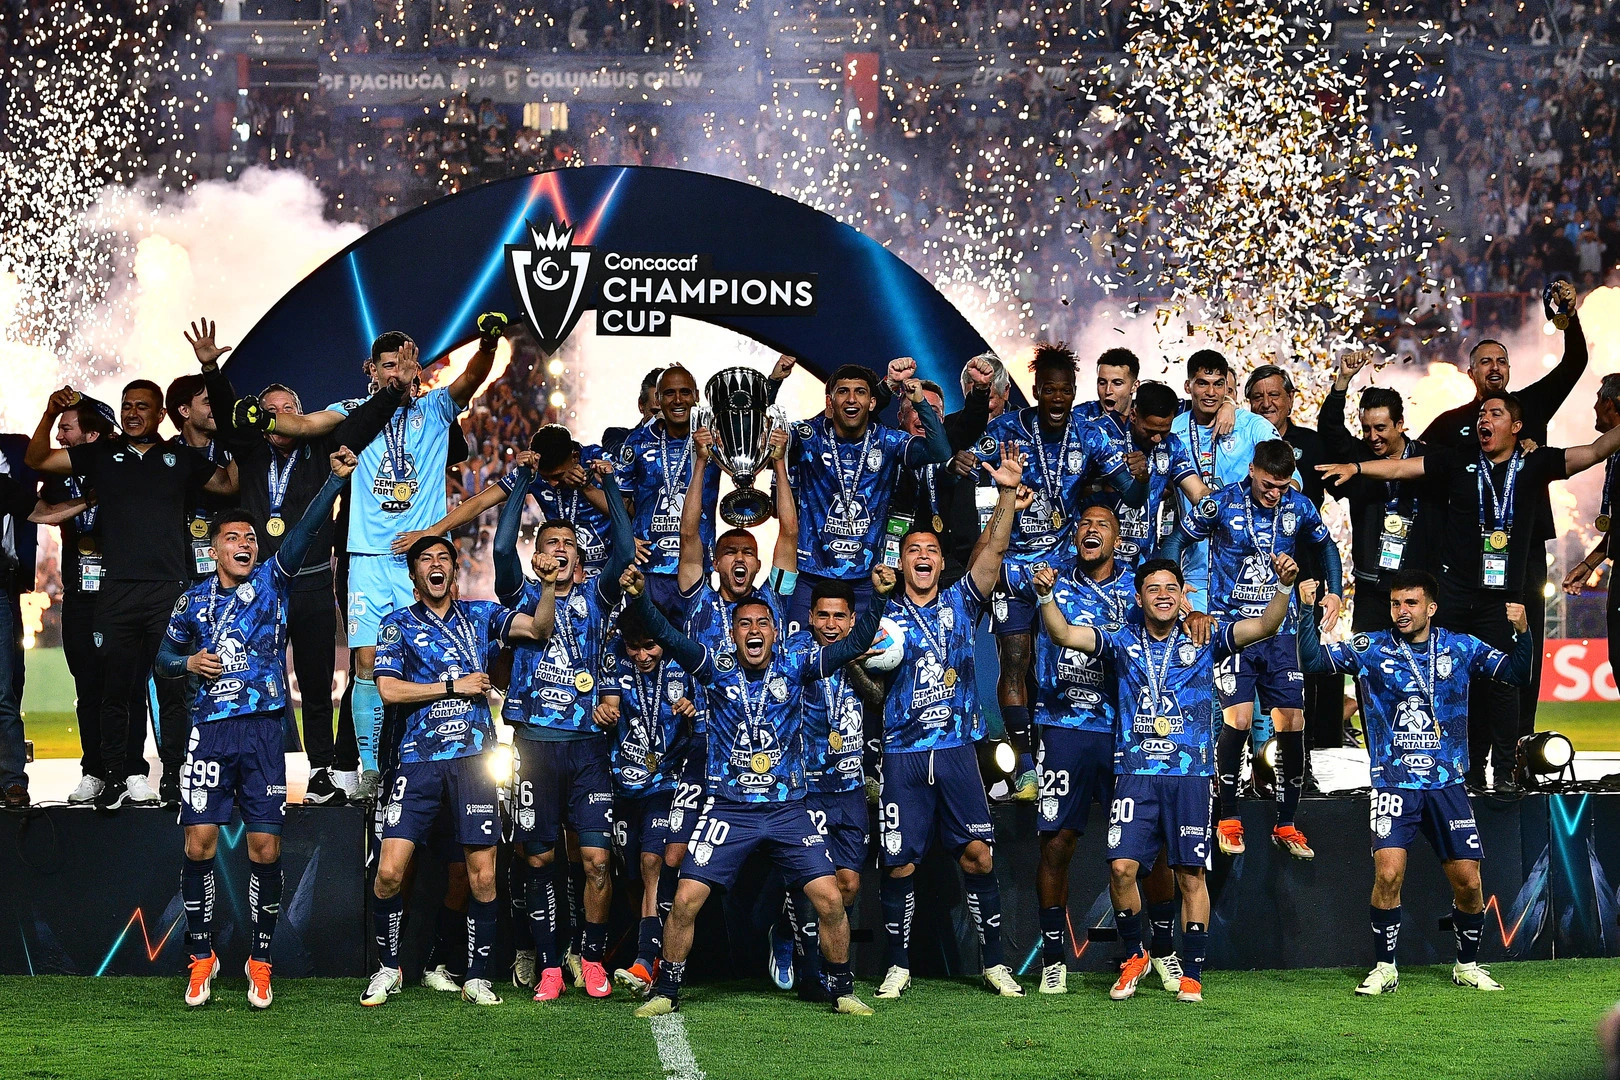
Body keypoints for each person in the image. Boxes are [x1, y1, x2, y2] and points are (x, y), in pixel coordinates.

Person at [623, 561, 896, 1018]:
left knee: (831, 899)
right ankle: (666, 990)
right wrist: (638, 598)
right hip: (729, 809)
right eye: (745, 624)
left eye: (762, 623)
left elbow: (852, 644)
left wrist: (880, 598)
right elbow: (667, 636)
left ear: (775, 632)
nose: (754, 630)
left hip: (788, 810)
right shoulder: (714, 666)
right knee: (685, 900)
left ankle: (843, 989)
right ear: (733, 635)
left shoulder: (796, 665)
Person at [1033, 552, 1299, 1004]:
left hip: (1189, 774)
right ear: (1138, 598)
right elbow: (1063, 633)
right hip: (1134, 773)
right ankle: (1135, 955)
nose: (1162, 595)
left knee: (1190, 875)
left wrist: (1284, 587)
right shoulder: (1120, 641)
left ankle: (1191, 974)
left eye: (1171, 588)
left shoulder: (1206, 636)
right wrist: (1045, 596)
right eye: (1153, 589)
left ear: (1182, 596)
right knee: (1122, 869)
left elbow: (1265, 625)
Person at [1318, 392, 1620, 791]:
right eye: (1481, 413)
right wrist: (1356, 467)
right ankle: (1467, 770)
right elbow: (1403, 467)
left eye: (1495, 413)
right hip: (1456, 594)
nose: (1484, 419)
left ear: (1516, 427)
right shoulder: (1459, 459)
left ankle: (1504, 770)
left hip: (1502, 597)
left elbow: (1596, 450)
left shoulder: (1534, 462)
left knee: (1504, 683)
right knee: (1456, 682)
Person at [154, 447, 358, 1009]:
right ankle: (201, 956)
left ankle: (260, 960)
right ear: (215, 549)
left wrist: (333, 483)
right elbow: (162, 660)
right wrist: (187, 663)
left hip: (265, 733)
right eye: (233, 538)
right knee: (199, 844)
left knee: (265, 849)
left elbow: (306, 529)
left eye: (250, 538)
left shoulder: (273, 579)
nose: (244, 544)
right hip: (210, 734)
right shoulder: (191, 601)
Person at [192, 317, 411, 805]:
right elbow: (227, 413)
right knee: (249, 678)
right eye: (271, 410)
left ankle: (321, 771)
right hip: (258, 588)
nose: (280, 416)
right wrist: (211, 370)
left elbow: (364, 424)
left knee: (315, 685)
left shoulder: (320, 446)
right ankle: (248, 766)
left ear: (300, 414)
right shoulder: (250, 451)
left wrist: (395, 391)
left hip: (311, 584)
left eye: (289, 408)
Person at [1297, 569, 1532, 994]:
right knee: (1388, 874)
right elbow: (1312, 662)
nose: (1401, 611)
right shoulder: (1371, 647)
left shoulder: (1460, 647)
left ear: (1431, 608)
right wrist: (1304, 612)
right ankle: (1384, 967)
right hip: (1394, 782)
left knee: (1469, 882)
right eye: (1395, 603)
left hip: (1447, 784)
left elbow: (1516, 674)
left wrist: (1523, 632)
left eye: (1410, 603)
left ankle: (1467, 964)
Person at [311, 315, 502, 804]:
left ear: (418, 368)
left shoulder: (435, 409)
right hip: (367, 557)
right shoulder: (351, 411)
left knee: (427, 660)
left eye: (406, 364)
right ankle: (372, 769)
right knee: (367, 665)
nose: (397, 372)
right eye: (388, 365)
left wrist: (487, 342)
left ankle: (426, 757)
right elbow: (305, 425)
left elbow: (472, 376)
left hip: (422, 557)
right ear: (371, 369)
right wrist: (265, 420)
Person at [25, 380, 236, 810]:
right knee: (116, 689)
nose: (133, 413)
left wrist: (234, 433)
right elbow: (37, 459)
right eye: (127, 406)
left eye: (142, 406)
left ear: (161, 414)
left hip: (167, 592)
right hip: (116, 592)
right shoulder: (102, 454)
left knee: (173, 689)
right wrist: (49, 414)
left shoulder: (179, 459)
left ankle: (175, 776)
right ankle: (118, 776)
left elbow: (229, 486)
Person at [362, 533, 552, 1008]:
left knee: (482, 876)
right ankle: (388, 969)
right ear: (414, 575)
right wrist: (453, 686)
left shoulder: (481, 614)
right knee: (389, 872)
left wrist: (548, 585)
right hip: (417, 760)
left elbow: (538, 629)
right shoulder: (396, 625)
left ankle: (477, 977)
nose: (436, 564)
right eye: (425, 559)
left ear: (454, 569)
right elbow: (389, 691)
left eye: (444, 557)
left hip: (474, 761)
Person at [1005, 503, 1188, 995]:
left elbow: (1173, 617)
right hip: (1062, 726)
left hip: (1127, 731)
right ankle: (1054, 959)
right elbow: (992, 565)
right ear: (1074, 534)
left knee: (1151, 848)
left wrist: (1195, 613)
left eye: (1102, 525)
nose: (1091, 530)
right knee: (1057, 843)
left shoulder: (1138, 587)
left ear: (1117, 538)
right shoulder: (1048, 575)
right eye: (1084, 523)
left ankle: (1161, 950)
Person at [875, 441, 1027, 1000]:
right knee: (899, 865)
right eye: (913, 550)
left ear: (941, 563)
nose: (922, 557)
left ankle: (995, 963)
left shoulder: (963, 600)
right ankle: (897, 966)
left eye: (931, 551)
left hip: (960, 748)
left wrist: (1006, 495)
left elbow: (993, 550)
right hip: (903, 753)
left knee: (978, 856)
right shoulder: (882, 614)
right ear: (902, 561)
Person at [973, 343, 1141, 801]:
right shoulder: (1005, 431)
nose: (1058, 399)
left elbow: (1132, 494)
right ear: (1036, 391)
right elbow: (972, 484)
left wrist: (1139, 473)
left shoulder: (1089, 434)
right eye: (1049, 390)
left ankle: (1064, 758)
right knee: (1014, 660)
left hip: (1063, 569)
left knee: (1059, 664)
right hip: (1010, 567)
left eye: (1066, 391)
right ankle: (1025, 769)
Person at [494, 458, 634, 1001]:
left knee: (597, 860)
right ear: (537, 556)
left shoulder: (598, 595)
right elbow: (501, 549)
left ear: (579, 557)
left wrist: (610, 485)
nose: (559, 549)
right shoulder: (521, 597)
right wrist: (521, 485)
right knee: (538, 859)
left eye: (568, 544)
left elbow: (625, 548)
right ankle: (550, 964)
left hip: (588, 750)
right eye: (549, 543)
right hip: (534, 745)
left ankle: (592, 958)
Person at [1421, 283, 1588, 734]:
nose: (1494, 367)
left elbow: (1574, 364)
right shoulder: (1450, 425)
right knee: (1467, 650)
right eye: (1485, 361)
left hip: (1525, 550)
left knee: (1524, 641)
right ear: (1470, 371)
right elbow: (1411, 465)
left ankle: (1521, 742)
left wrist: (1569, 317)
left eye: (1501, 361)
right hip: (1467, 561)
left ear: (1509, 370)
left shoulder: (1529, 406)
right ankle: (1467, 746)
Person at [1167, 439, 1340, 859]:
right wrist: (1175, 583)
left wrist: (1334, 591)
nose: (1274, 493)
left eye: (1282, 486)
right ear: (1252, 470)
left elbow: (1326, 546)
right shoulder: (1222, 503)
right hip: (1233, 631)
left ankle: (1287, 823)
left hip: (1281, 632)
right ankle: (1228, 818)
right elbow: (1176, 540)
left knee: (1293, 721)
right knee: (1240, 719)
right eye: (1267, 484)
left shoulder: (1298, 506)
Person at [784, 362, 951, 632]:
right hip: (812, 575)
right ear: (829, 402)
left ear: (872, 402)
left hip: (866, 579)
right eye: (843, 392)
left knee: (869, 655)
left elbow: (940, 451)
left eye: (860, 392)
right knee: (799, 651)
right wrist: (773, 384)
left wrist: (920, 402)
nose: (851, 399)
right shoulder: (808, 435)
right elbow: (760, 439)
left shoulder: (889, 441)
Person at [593, 604, 701, 993]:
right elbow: (609, 704)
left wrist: (692, 711)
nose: (641, 655)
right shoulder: (614, 657)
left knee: (653, 862)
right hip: (622, 783)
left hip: (667, 781)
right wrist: (604, 712)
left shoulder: (684, 660)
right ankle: (651, 951)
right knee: (633, 876)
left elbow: (706, 712)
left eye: (649, 646)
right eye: (634, 647)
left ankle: (645, 960)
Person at [779, 579, 880, 999]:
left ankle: (821, 955)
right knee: (813, 884)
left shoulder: (868, 653)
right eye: (823, 615)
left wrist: (852, 660)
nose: (831, 624)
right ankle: (810, 970)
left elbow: (876, 697)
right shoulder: (796, 653)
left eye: (840, 616)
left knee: (848, 885)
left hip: (850, 788)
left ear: (853, 619)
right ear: (810, 617)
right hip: (808, 789)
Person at [32, 396, 126, 806]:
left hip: (121, 593)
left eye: (66, 428)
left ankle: (127, 772)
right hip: (80, 595)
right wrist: (87, 502)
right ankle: (94, 772)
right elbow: (43, 511)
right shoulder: (60, 475)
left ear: (91, 435)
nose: (60, 436)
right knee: (87, 687)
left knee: (123, 688)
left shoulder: (125, 466)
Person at [395, 424, 615, 580]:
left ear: (575, 457)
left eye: (558, 476)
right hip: (563, 570)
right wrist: (432, 531)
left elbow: (625, 510)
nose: (553, 483)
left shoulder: (597, 460)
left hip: (609, 568)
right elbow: (479, 503)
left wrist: (587, 487)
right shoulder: (532, 472)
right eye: (547, 478)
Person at [1170, 350, 1278, 611]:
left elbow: (1289, 476)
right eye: (1202, 384)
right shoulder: (1173, 430)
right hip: (1196, 570)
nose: (1211, 393)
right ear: (1188, 386)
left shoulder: (1253, 426)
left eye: (1218, 385)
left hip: (1247, 570)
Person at [615, 364, 719, 616]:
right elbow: (619, 501)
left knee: (693, 638)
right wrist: (625, 538)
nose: (678, 400)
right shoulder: (637, 441)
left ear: (696, 396)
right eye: (669, 393)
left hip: (696, 568)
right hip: (647, 569)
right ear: (658, 399)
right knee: (643, 637)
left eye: (685, 392)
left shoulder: (715, 439)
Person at [1111, 381, 1212, 569]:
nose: (1157, 439)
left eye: (1163, 431)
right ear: (1133, 415)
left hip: (1142, 561)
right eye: (1149, 431)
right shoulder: (1106, 438)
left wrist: (1227, 501)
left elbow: (1198, 492)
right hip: (1100, 557)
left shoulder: (1172, 445)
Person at [1562, 376, 1620, 685]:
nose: (1594, 407)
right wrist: (1589, 563)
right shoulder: (1616, 451)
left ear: (1610, 403)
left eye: (1598, 400)